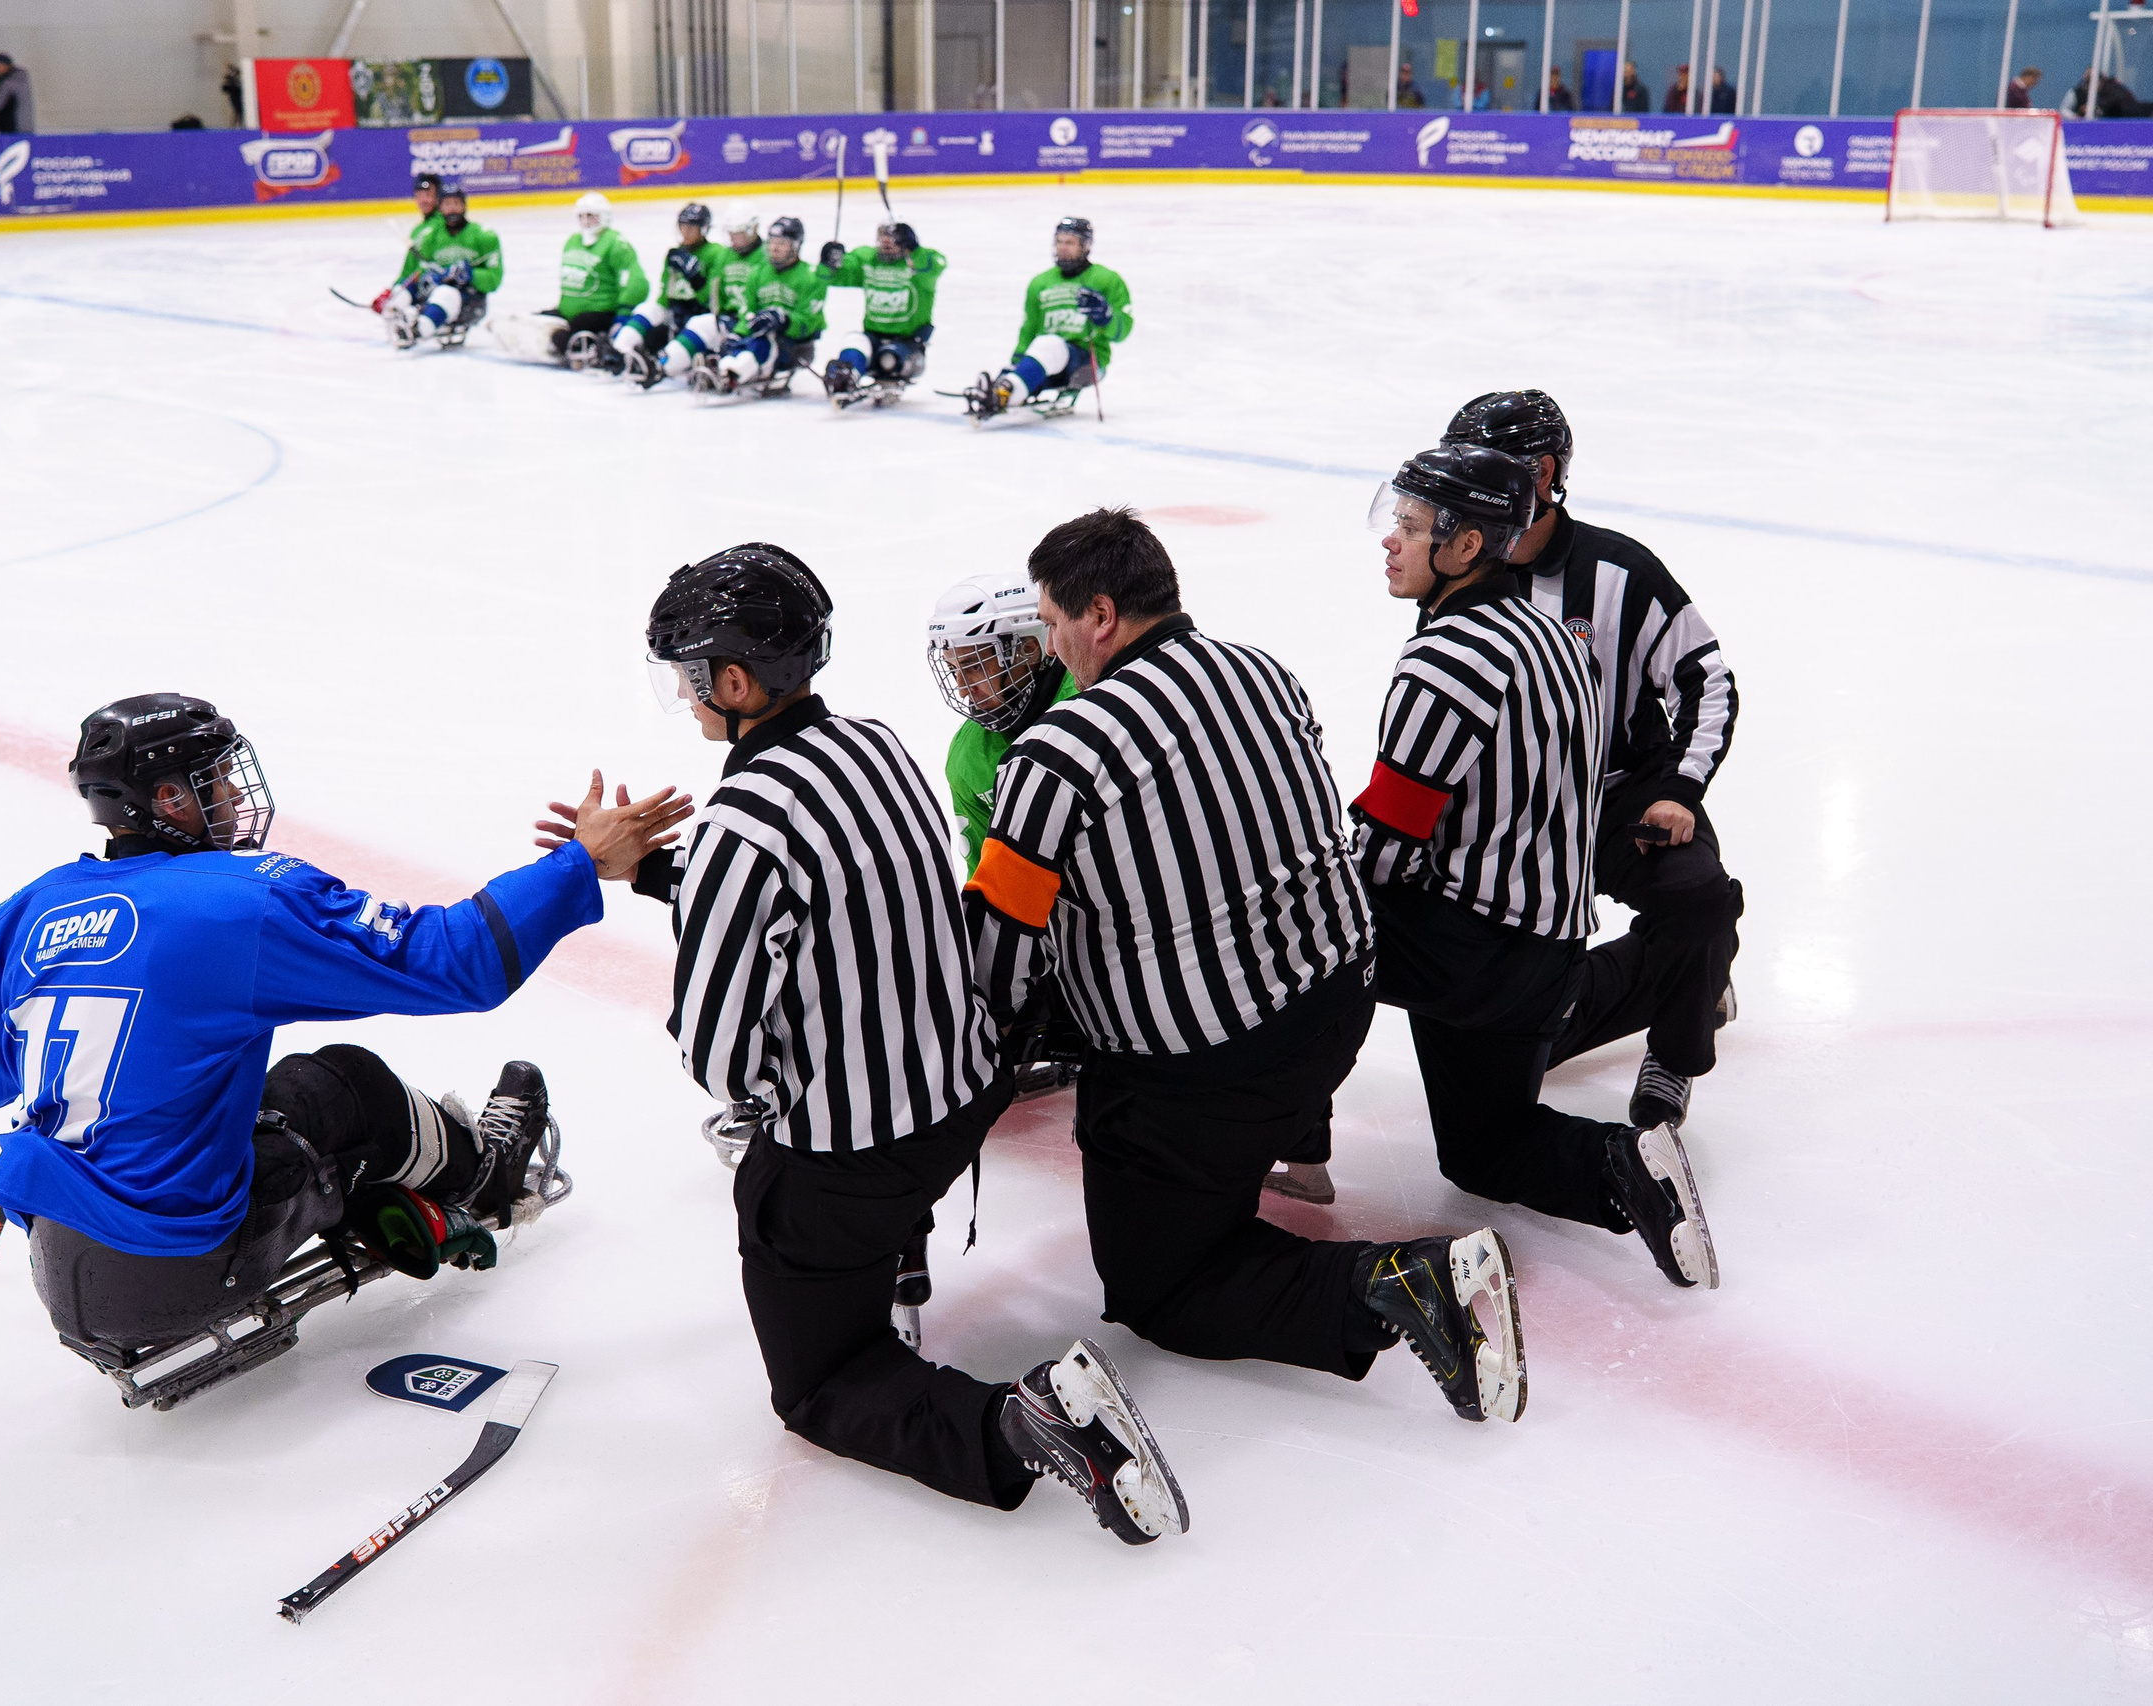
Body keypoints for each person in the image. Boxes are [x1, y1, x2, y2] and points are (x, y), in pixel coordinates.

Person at [541, 544, 1192, 1545]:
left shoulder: (741, 825)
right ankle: (889, 1250)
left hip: (857, 1160)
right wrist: (662, 873)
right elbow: (840, 895)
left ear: (734, 679)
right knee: (851, 1141)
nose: (686, 696)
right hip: (964, 1098)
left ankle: (1022, 1420)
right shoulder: (877, 744)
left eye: (688, 676)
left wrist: (781, 1102)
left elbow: (717, 1057)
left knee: (818, 1382)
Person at [0, 693, 692, 1388]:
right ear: (167, 800)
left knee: (232, 1090)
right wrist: (580, 863)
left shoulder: (32, 909)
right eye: (215, 781)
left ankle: (347, 1188)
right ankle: (484, 1175)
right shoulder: (240, 901)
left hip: (57, 1264)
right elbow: (461, 963)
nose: (233, 796)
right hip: (180, 1273)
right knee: (344, 1084)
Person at [964, 508, 1530, 1426]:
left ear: (1100, 614)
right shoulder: (1265, 672)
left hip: (1210, 1068)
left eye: (1055, 620)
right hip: (1339, 1003)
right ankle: (1252, 1156)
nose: (1053, 643)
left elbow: (995, 961)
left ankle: (1405, 1281)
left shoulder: (1060, 753)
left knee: (1160, 1285)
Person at [1355, 448, 1720, 1292]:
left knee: (1305, 937)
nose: (1390, 543)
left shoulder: (1444, 663)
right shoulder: (1557, 640)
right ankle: (1626, 1166)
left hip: (1471, 956)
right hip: (1547, 948)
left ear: (1468, 544)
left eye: (1411, 529)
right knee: (1485, 1148)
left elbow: (1387, 842)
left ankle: (1285, 1140)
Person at [1442, 390, 1742, 1131]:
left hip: (1620, 801)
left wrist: (1678, 789)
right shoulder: (1460, 573)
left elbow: (1710, 683)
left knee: (1698, 900)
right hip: (1514, 817)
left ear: (1542, 474)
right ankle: (1691, 984)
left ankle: (1677, 1044)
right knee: (1511, 1044)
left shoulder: (1621, 573)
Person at [926, 574, 1086, 1104]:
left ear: (1030, 647)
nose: (965, 688)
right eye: (956, 670)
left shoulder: (1090, 699)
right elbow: (985, 876)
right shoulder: (970, 756)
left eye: (976, 665)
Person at [962, 216, 1132, 420]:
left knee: (1050, 344)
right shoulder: (1040, 283)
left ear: (1085, 246)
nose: (1063, 247)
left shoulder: (1106, 279)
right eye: (1059, 242)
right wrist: (1017, 364)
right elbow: (1029, 328)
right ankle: (1001, 392)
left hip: (1086, 361)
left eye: (1069, 242)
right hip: (1046, 359)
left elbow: (1123, 331)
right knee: (1034, 364)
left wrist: (1106, 317)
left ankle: (1003, 393)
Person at [489, 192, 648, 367]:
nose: (586, 221)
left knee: (562, 337)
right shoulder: (573, 241)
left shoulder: (615, 243)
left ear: (604, 218)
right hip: (568, 311)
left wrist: (624, 313)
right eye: (582, 216)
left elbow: (637, 281)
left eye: (592, 216)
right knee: (537, 321)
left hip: (599, 313)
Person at [692, 216, 825, 397]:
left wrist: (785, 321)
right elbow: (747, 311)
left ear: (796, 245)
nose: (774, 248)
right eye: (771, 242)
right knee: (745, 339)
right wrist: (738, 333)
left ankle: (730, 375)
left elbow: (809, 323)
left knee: (764, 339)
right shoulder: (758, 273)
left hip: (794, 346)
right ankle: (725, 368)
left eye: (782, 243)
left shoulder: (811, 277)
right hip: (758, 338)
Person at [818, 220, 948, 405]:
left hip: (907, 341)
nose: (886, 242)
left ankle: (889, 370)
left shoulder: (918, 265)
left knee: (889, 359)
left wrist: (915, 249)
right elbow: (834, 277)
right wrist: (830, 262)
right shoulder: (867, 259)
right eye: (882, 237)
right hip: (873, 336)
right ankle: (847, 376)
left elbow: (932, 266)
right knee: (853, 341)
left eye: (894, 239)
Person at [606, 202, 733, 383]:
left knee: (696, 325)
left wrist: (695, 278)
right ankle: (618, 350)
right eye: (683, 226)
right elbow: (665, 296)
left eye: (692, 227)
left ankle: (660, 365)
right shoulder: (675, 254)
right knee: (648, 309)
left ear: (704, 229)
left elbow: (712, 300)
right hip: (677, 312)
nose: (686, 231)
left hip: (698, 312)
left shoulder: (717, 253)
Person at [376, 182, 502, 349]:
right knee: (402, 295)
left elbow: (494, 278)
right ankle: (396, 313)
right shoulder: (429, 236)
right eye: (447, 204)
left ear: (464, 206)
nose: (452, 209)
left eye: (456, 203)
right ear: (440, 207)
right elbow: (413, 272)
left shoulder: (484, 237)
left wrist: (471, 274)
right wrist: (394, 291)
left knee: (445, 293)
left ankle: (417, 330)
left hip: (470, 302)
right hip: (433, 293)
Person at [652, 209, 767, 386]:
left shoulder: (766, 258)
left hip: (755, 321)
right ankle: (661, 366)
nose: (733, 238)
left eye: (738, 233)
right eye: (730, 233)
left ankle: (729, 375)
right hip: (730, 319)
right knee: (701, 323)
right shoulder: (725, 255)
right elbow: (711, 297)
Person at [0, 54, 33, 133]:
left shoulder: (8, 82)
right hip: (24, 126)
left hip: (14, 128)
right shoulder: (20, 78)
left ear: (5, 66)